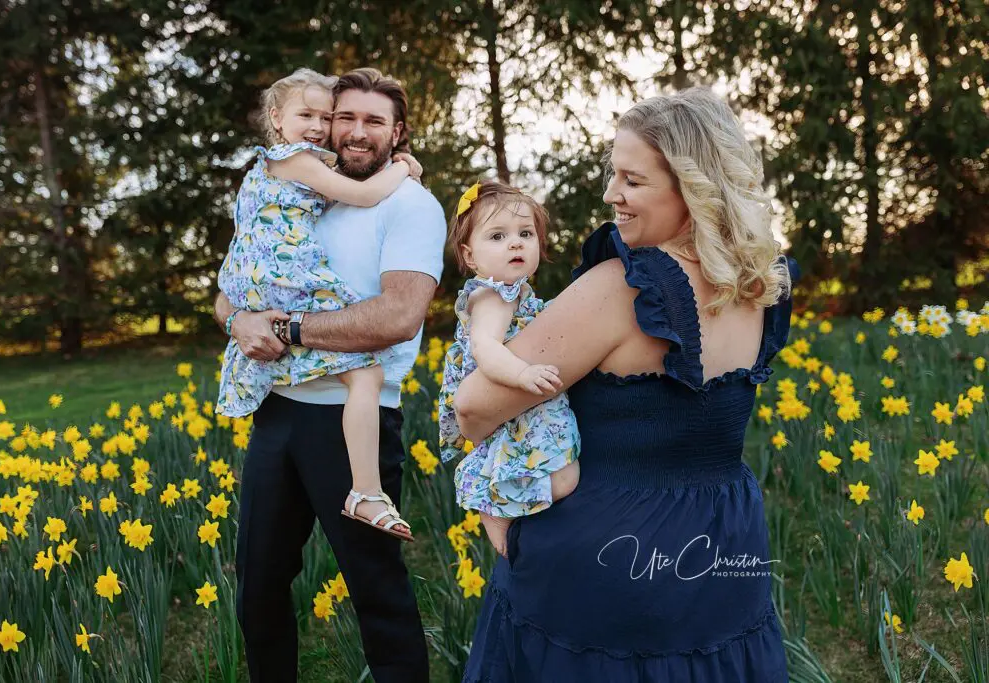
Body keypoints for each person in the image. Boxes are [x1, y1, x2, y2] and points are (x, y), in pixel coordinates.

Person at [454, 87, 796, 682]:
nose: (611, 194)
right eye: (613, 174)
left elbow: (474, 407)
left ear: (693, 188)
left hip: (607, 564)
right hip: (725, 548)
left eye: (632, 180)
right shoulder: (761, 284)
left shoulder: (623, 288)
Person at [213, 67, 445, 683]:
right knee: (259, 579)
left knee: (374, 585)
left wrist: (288, 328)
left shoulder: (410, 204)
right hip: (278, 409)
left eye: (374, 121)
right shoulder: (304, 191)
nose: (355, 131)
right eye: (346, 117)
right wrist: (240, 321)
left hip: (353, 419)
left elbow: (398, 316)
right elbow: (235, 283)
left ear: (399, 133)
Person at [216, 67, 424, 541]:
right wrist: (403, 168)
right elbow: (364, 194)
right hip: (285, 279)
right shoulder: (296, 160)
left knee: (360, 377)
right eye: (305, 115)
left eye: (324, 117)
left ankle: (365, 491)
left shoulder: (282, 167)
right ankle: (366, 492)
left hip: (257, 280)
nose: (317, 126)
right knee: (366, 374)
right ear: (276, 118)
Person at [437, 180, 580, 557]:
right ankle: (496, 505)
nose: (515, 243)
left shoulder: (514, 293)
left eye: (525, 234)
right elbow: (484, 347)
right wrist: (522, 375)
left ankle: (510, 509)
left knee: (561, 473)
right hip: (511, 391)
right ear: (470, 256)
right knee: (565, 477)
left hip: (523, 403)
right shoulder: (493, 295)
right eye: (497, 236)